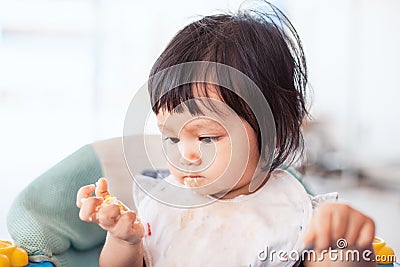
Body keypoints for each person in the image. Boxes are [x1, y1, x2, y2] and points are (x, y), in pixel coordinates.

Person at [76, 1, 376, 266]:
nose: (186, 154)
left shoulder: (294, 215)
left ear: (274, 134)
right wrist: (124, 241)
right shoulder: (162, 204)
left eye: (207, 137)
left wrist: (344, 245)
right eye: (172, 138)